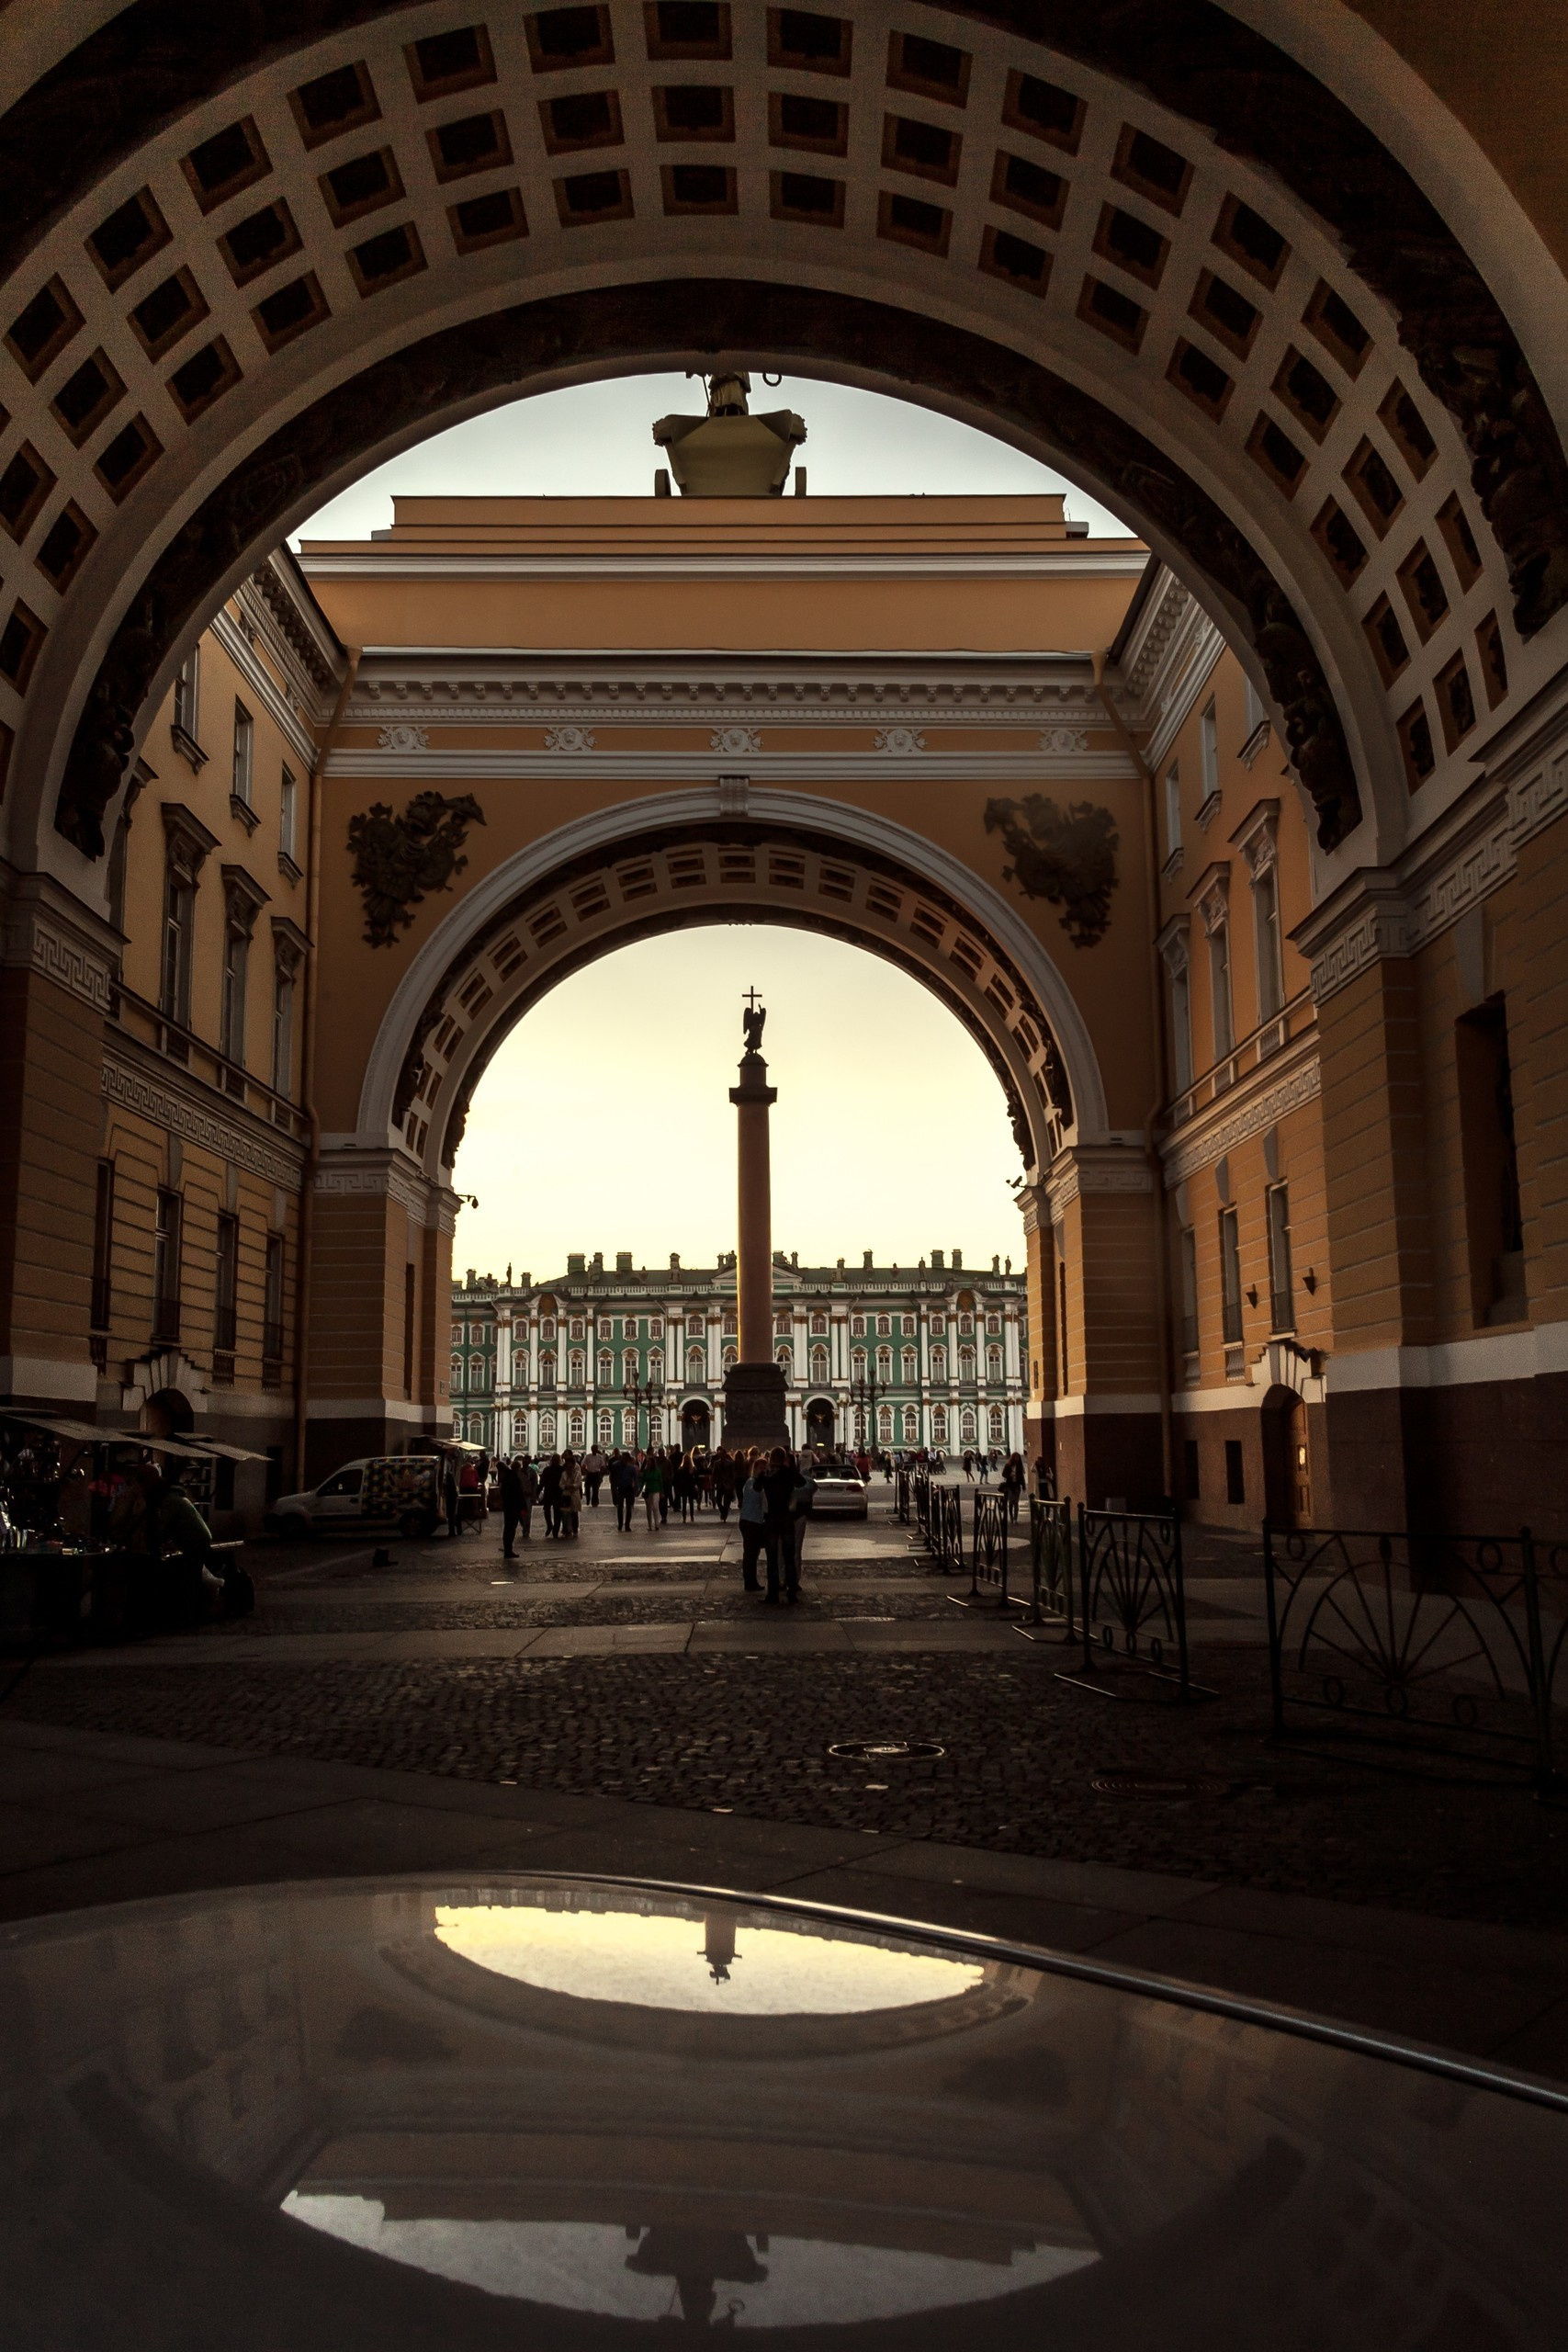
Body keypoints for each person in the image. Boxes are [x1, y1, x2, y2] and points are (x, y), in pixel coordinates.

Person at [761, 1445, 798, 1604]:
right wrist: (787, 1468)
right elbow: (802, 1481)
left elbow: (756, 1487)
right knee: (789, 1557)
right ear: (784, 1459)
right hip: (787, 1518)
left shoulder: (767, 1474)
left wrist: (765, 1473)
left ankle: (772, 1594)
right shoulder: (789, 1474)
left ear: (770, 1459)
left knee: (772, 1558)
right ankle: (792, 1594)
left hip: (771, 1519)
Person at [737, 1458, 767, 1591]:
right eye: (762, 1468)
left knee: (752, 1554)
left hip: (752, 1520)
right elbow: (755, 1494)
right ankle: (750, 1582)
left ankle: (751, 1580)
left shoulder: (751, 1483)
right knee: (750, 1554)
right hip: (751, 1521)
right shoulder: (751, 1483)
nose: (764, 1471)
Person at [498, 1455, 527, 1559]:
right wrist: (523, 1507)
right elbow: (519, 1494)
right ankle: (508, 1550)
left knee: (508, 1528)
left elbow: (503, 1492)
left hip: (509, 1506)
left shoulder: (507, 1478)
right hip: (514, 1507)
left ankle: (508, 1549)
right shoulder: (513, 1478)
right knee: (511, 1528)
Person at [610, 1448, 638, 1532]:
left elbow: (635, 1479)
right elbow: (613, 1475)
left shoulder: (631, 1468)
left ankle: (627, 1525)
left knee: (629, 1507)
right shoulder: (616, 1465)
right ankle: (620, 1524)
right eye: (622, 1458)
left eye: (624, 1458)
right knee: (620, 1507)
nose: (623, 1460)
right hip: (621, 1487)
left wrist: (636, 1490)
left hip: (629, 1488)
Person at [558, 1449, 582, 1538]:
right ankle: (566, 1530)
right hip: (566, 1494)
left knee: (574, 1513)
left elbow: (579, 1483)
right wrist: (565, 1487)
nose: (569, 1466)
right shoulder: (564, 1473)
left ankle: (575, 1530)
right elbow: (561, 1484)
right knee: (565, 1513)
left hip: (574, 1494)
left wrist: (573, 1486)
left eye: (570, 1465)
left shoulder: (577, 1472)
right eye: (567, 1465)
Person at [639, 1449, 665, 1532]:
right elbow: (643, 1482)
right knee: (648, 1509)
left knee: (655, 1507)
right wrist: (639, 1491)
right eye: (647, 1463)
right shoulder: (646, 1471)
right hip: (648, 1491)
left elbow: (660, 1482)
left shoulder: (657, 1471)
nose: (648, 1464)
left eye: (649, 1463)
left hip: (656, 1490)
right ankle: (650, 1525)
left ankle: (656, 1524)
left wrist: (662, 1492)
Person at [538, 1452, 563, 1538]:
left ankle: (552, 1527)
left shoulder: (549, 1470)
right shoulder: (561, 1469)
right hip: (555, 1493)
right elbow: (542, 1482)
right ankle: (553, 1528)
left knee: (550, 1511)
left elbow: (542, 1483)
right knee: (555, 1512)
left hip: (552, 1492)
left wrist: (538, 1492)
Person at [711, 1446, 737, 1522]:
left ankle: (724, 1515)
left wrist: (732, 1484)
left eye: (721, 1454)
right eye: (719, 1454)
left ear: (725, 1454)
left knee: (727, 1501)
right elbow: (714, 1474)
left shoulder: (730, 1464)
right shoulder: (716, 1463)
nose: (720, 1455)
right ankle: (723, 1511)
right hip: (720, 1484)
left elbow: (732, 1475)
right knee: (718, 1500)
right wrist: (713, 1483)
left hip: (728, 1484)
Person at [1002, 1451, 1026, 1521]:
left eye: (1018, 1457)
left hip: (1017, 1485)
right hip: (1010, 1485)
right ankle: (1011, 1517)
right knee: (1010, 1502)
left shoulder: (1020, 1467)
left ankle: (1015, 1518)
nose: (1017, 1459)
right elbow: (1003, 1474)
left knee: (1016, 1503)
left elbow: (1022, 1477)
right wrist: (1009, 1475)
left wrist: (1024, 1486)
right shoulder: (1008, 1466)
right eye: (1015, 1457)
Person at [583, 1442, 608, 1508]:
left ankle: (595, 1502)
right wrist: (585, 1471)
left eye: (595, 1449)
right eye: (593, 1449)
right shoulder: (588, 1456)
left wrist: (601, 1473)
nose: (594, 1450)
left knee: (595, 1489)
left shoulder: (599, 1457)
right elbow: (583, 1464)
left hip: (596, 1474)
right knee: (587, 1487)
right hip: (589, 1473)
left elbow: (603, 1465)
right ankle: (588, 1498)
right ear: (592, 1449)